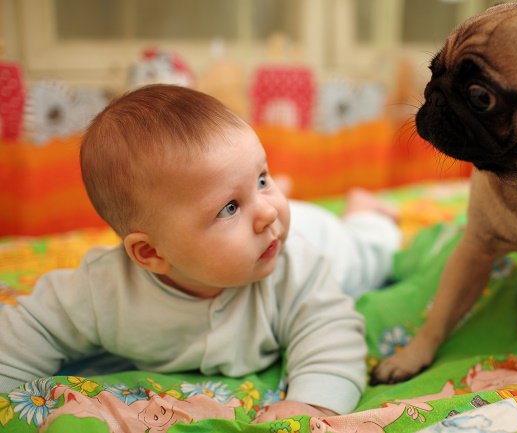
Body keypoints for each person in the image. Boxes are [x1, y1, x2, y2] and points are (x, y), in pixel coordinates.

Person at [0, 84, 400, 421]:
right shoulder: (103, 291)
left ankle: (364, 212)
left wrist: (311, 403)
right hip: (276, 241)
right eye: (229, 207)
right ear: (151, 253)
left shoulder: (298, 266)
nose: (266, 212)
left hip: (326, 239)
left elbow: (330, 331)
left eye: (263, 177)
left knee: (375, 248)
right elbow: (28, 330)